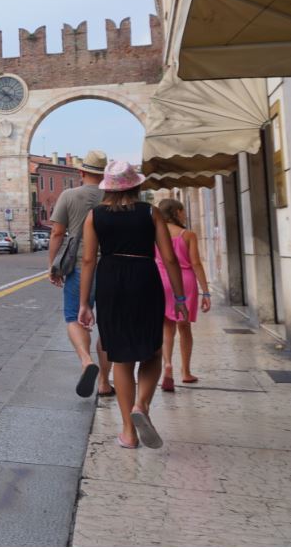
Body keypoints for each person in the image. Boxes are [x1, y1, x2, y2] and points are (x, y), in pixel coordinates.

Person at [78, 161, 187, 450]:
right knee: (152, 350)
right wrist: (180, 298)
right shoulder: (150, 213)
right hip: (144, 278)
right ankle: (141, 406)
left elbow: (88, 260)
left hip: (111, 280)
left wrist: (84, 303)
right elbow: (169, 258)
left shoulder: (94, 216)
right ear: (136, 185)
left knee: (121, 357)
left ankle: (128, 431)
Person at [47, 148, 114, 398]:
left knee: (74, 318)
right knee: (106, 325)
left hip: (77, 265)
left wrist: (53, 266)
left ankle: (86, 361)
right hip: (109, 267)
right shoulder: (113, 196)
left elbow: (56, 233)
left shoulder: (69, 195)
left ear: (81, 171)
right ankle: (105, 383)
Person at [155, 199, 212, 391]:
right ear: (177, 212)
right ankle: (186, 372)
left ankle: (167, 365)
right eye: (183, 211)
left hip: (162, 280)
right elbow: (196, 263)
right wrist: (206, 291)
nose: (185, 214)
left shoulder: (155, 234)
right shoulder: (187, 235)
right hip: (185, 282)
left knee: (166, 327)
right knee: (184, 328)